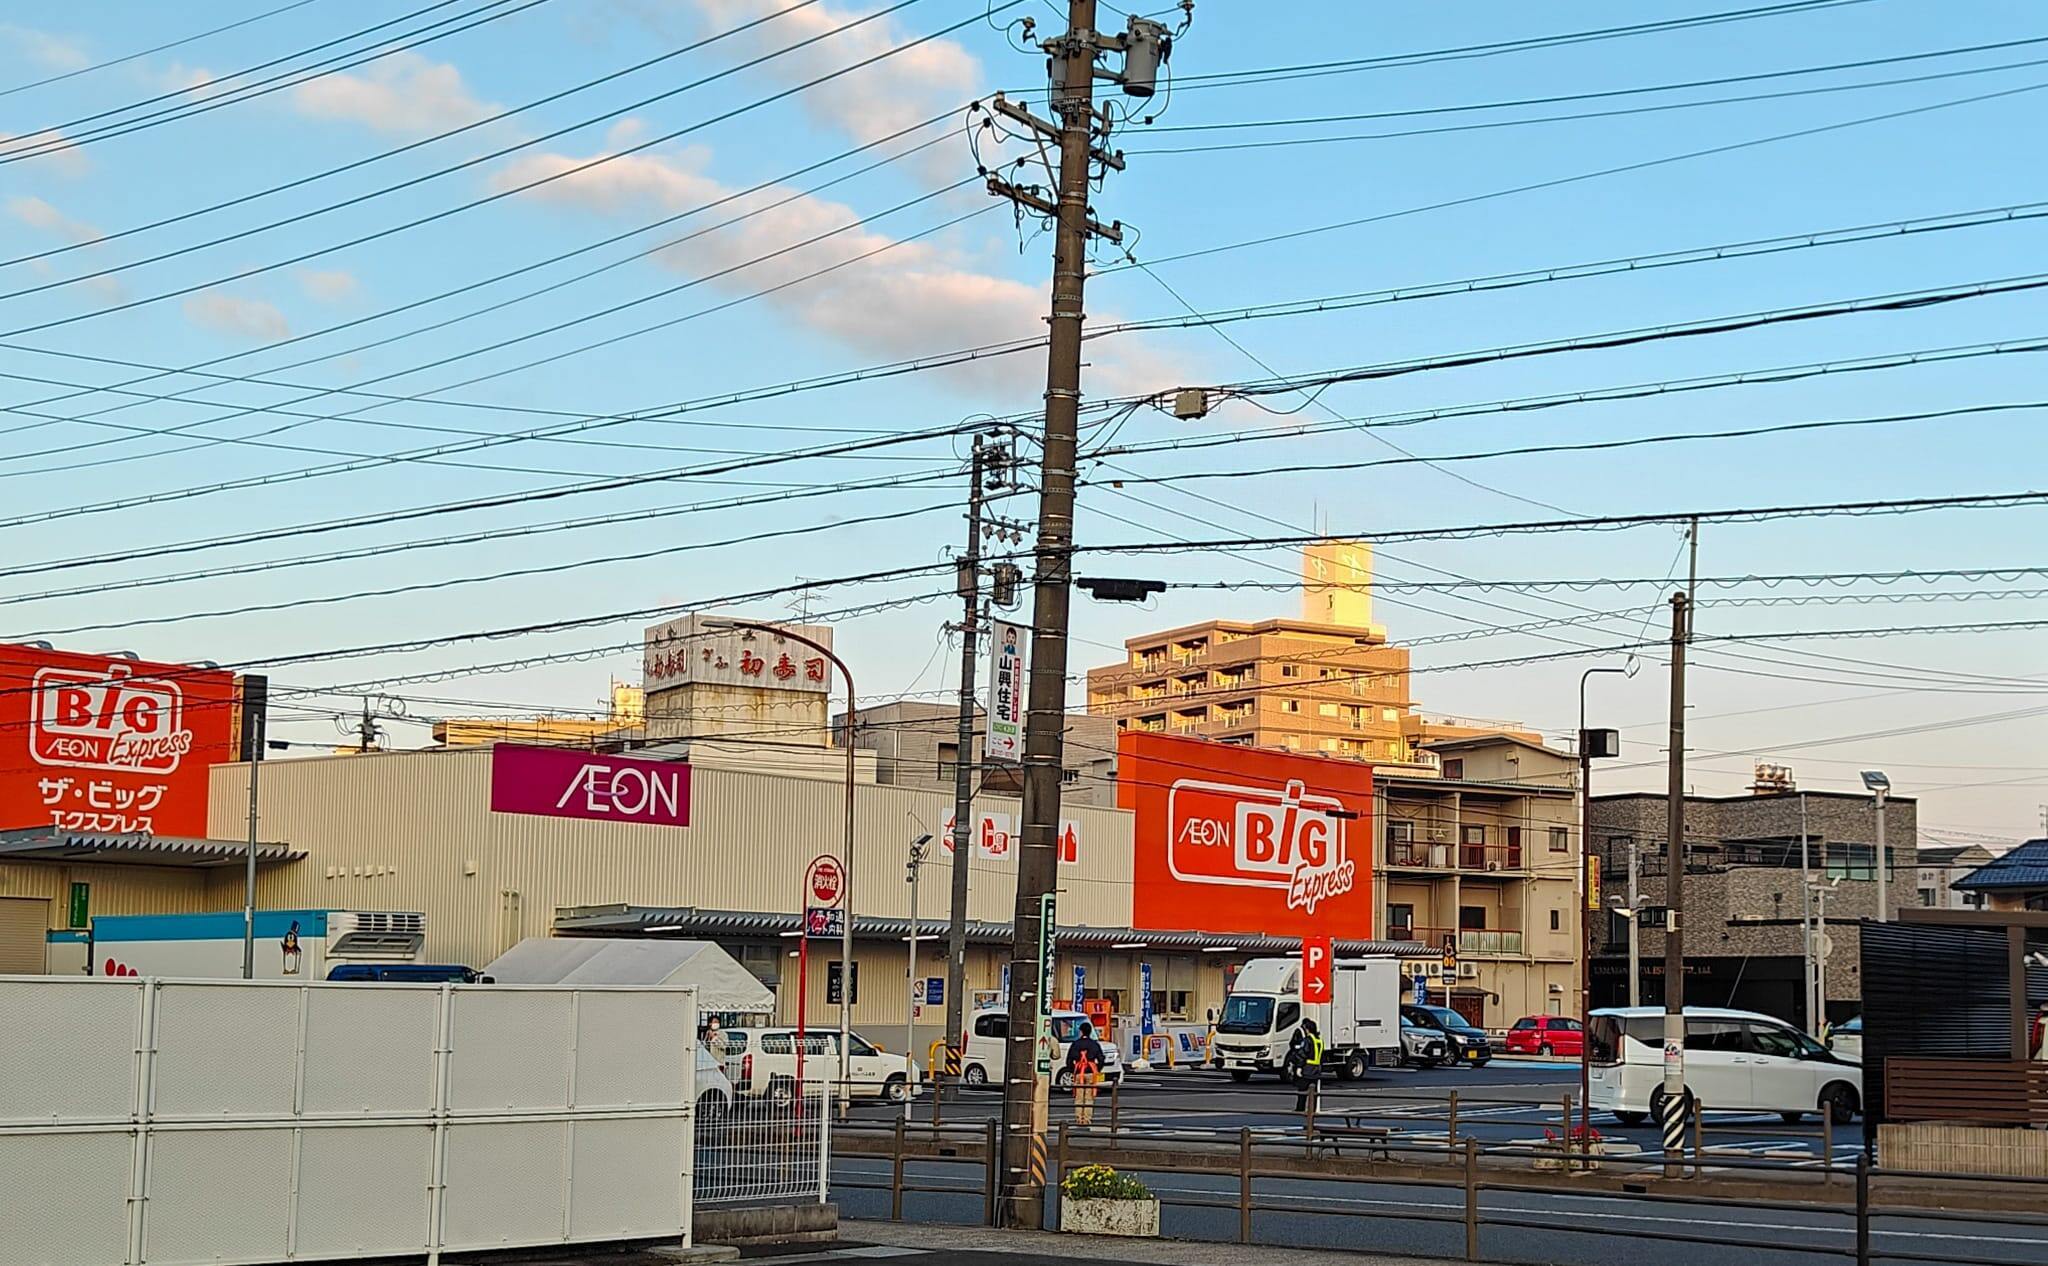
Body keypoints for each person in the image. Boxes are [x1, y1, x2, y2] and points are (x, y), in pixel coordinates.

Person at [1064, 1021, 1107, 1126]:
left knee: (1079, 1097)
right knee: (1089, 1097)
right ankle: (1087, 1119)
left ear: (1081, 1031)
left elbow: (1069, 1060)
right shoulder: (1094, 1044)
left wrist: (1074, 1069)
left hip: (1079, 1072)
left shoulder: (1075, 1044)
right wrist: (1097, 1069)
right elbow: (1101, 1059)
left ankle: (1079, 1118)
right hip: (1091, 1072)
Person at [1290, 1018, 1325, 1114]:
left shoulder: (1307, 1040)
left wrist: (1299, 1067)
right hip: (1317, 1068)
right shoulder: (1319, 1041)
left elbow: (1302, 1054)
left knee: (1302, 1090)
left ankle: (1300, 1108)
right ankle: (1312, 1110)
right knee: (1313, 1092)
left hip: (1307, 1068)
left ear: (1307, 1029)